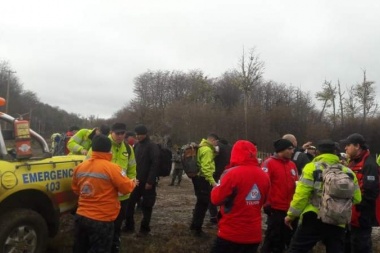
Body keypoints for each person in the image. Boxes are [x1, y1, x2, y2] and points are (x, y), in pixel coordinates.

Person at [284, 140, 362, 253]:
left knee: (296, 249)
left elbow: (301, 196)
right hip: (337, 220)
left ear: (318, 152)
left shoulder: (311, 168)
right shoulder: (348, 171)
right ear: (336, 153)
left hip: (313, 217)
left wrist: (291, 216)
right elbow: (357, 198)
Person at [71, 134, 137, 253]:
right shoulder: (112, 168)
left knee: (79, 248)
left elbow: (76, 189)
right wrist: (133, 182)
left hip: (81, 217)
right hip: (102, 220)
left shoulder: (80, 167)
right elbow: (126, 188)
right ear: (109, 149)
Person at [210, 140, 270, 253]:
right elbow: (265, 199)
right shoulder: (264, 175)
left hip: (231, 233)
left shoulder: (231, 174)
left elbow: (216, 199)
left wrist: (216, 186)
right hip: (254, 234)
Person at [342, 133, 380, 253]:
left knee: (361, 246)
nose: (345, 148)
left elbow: (370, 192)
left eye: (348, 145)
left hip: (361, 216)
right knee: (349, 245)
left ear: (357, 146)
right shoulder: (352, 162)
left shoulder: (369, 164)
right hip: (349, 215)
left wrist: (358, 207)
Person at [261, 138, 298, 253]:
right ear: (281, 150)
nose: (292, 151)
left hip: (290, 209)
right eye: (290, 149)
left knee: (287, 238)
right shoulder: (269, 163)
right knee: (272, 239)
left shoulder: (292, 165)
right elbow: (263, 184)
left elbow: (296, 183)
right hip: (275, 208)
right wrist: (267, 204)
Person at [124, 124, 159, 236]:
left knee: (147, 206)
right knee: (129, 204)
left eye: (140, 134)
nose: (138, 136)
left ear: (145, 134)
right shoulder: (137, 146)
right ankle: (129, 226)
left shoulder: (152, 146)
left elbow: (155, 164)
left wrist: (150, 181)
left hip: (147, 182)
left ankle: (144, 229)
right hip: (136, 181)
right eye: (137, 134)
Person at [109, 123, 136, 253]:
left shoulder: (129, 148)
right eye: (117, 133)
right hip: (107, 194)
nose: (120, 136)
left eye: (122, 133)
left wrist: (130, 184)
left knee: (118, 222)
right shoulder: (103, 145)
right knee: (106, 222)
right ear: (111, 132)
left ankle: (115, 243)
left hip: (123, 194)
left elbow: (132, 169)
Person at [190, 133, 219, 237]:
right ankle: (198, 229)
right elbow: (206, 168)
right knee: (203, 205)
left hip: (198, 179)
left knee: (199, 203)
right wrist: (213, 182)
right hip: (203, 180)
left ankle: (194, 226)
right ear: (212, 140)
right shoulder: (207, 150)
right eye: (216, 142)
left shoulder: (202, 147)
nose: (216, 144)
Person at [209, 138, 232, 224]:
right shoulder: (231, 147)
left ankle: (213, 216)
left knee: (213, 194)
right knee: (226, 195)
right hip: (228, 174)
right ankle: (223, 214)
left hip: (216, 173)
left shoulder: (217, 147)